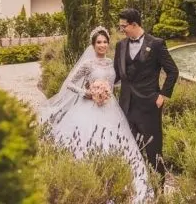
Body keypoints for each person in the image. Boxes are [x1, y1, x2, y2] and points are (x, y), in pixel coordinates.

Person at [38, 26, 154, 203]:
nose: (102, 45)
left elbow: (116, 81)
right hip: (88, 107)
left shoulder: (112, 62)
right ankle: (88, 181)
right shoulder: (87, 64)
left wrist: (108, 90)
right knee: (87, 141)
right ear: (93, 45)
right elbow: (70, 84)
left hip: (110, 107)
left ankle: (117, 179)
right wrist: (87, 92)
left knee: (115, 140)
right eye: (99, 42)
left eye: (105, 42)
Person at [114, 8, 179, 186]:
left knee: (154, 152)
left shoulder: (156, 44)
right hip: (126, 106)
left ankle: (159, 192)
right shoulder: (120, 46)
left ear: (134, 24)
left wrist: (163, 96)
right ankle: (138, 190)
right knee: (130, 150)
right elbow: (116, 75)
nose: (122, 30)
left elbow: (173, 71)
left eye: (123, 26)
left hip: (149, 106)